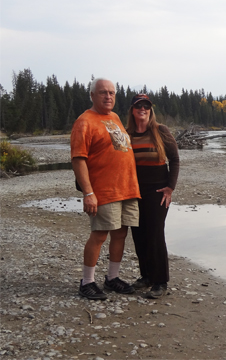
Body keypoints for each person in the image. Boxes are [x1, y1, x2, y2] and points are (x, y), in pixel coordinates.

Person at [71, 78, 141, 300]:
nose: (108, 96)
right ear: (92, 95)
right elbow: (78, 159)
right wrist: (88, 193)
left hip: (127, 188)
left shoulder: (115, 117)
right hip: (104, 190)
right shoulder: (84, 121)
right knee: (99, 235)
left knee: (120, 234)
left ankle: (112, 278)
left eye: (111, 92)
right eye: (103, 92)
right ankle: (87, 282)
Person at [126, 93, 180, 299]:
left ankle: (160, 281)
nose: (143, 109)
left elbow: (174, 160)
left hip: (158, 190)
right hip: (134, 190)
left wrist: (170, 188)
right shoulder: (127, 134)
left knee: (155, 233)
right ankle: (146, 276)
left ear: (151, 110)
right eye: (139, 105)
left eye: (146, 106)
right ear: (132, 109)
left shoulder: (160, 131)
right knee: (138, 234)